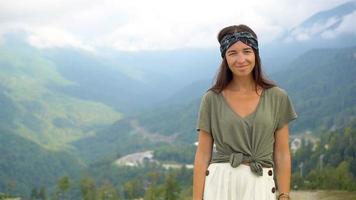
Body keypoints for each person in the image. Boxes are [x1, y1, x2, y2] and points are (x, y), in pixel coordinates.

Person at [193, 24, 297, 200]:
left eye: (247, 51)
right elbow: (203, 154)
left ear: (255, 54)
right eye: (232, 53)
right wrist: (197, 198)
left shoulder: (277, 97)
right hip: (220, 183)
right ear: (224, 58)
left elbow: (282, 152)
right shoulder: (212, 98)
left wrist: (284, 194)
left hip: (260, 181)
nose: (241, 59)